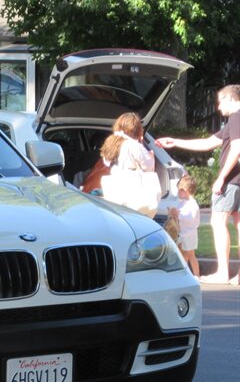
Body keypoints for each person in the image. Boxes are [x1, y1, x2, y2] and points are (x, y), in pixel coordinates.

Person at [157, 84, 240, 286]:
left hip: (232, 181)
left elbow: (237, 148)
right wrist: (175, 141)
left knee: (218, 223)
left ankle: (222, 272)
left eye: (220, 102)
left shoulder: (237, 117)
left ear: (230, 99)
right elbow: (208, 143)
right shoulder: (234, 121)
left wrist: (221, 177)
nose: (218, 108)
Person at [97, 112, 159, 216]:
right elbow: (148, 167)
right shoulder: (133, 145)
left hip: (115, 189)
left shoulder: (110, 143)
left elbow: (106, 163)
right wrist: (150, 155)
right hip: (133, 191)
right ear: (136, 129)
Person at [171, 175, 201, 277]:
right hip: (182, 233)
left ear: (187, 190)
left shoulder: (193, 204)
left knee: (190, 254)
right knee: (182, 253)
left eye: (180, 190)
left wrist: (178, 214)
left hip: (190, 234)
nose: (178, 193)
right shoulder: (182, 203)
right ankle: (185, 274)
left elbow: (190, 219)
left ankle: (196, 274)